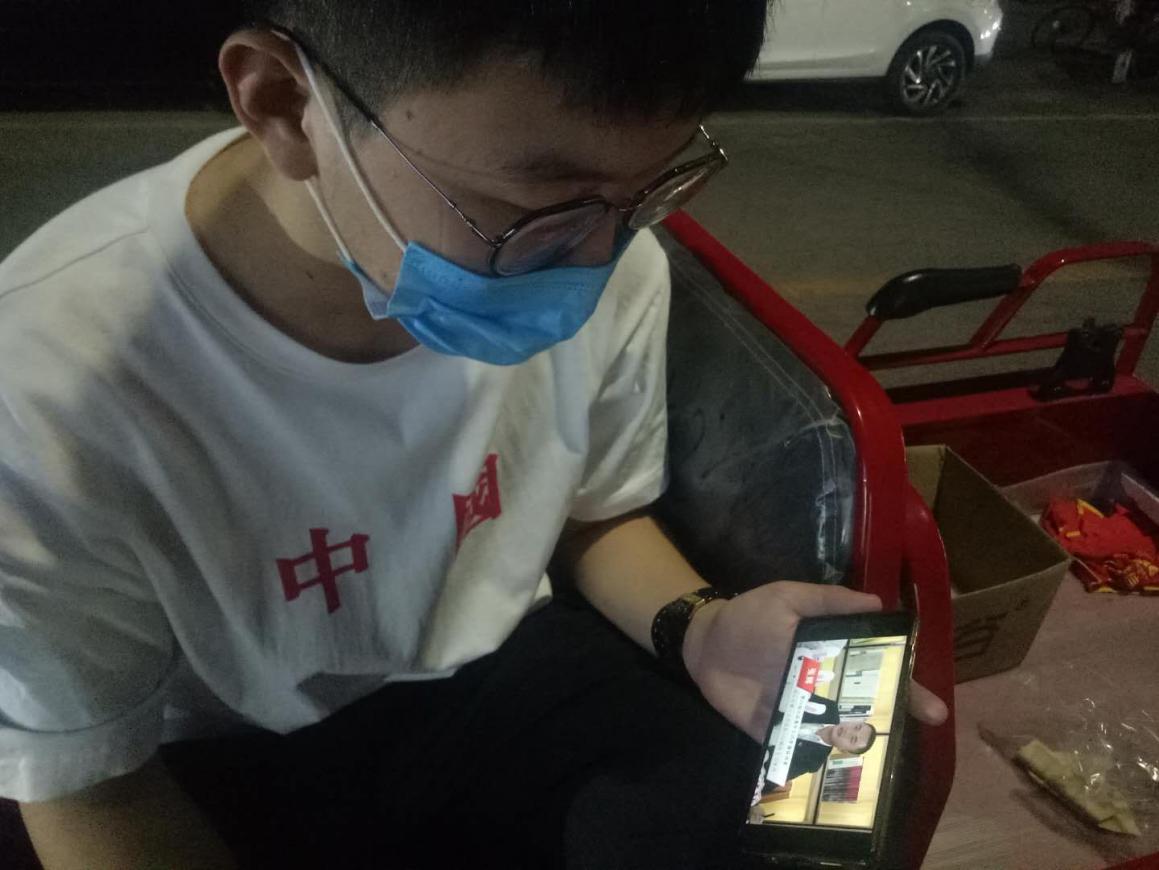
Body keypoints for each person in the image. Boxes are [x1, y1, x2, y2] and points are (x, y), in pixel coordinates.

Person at [0, 3, 948, 868]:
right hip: (220, 746)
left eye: (644, 191)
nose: (595, 259)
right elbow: (93, 789)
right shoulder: (43, 395)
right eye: (537, 201)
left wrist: (701, 626)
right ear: (285, 103)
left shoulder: (610, 253)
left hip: (501, 670)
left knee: (826, 799)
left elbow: (589, 513)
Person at [762, 695, 877, 790]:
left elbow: (769, 779)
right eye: (856, 727)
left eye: (852, 739)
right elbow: (789, 694)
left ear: (844, 750)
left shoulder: (813, 761)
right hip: (761, 708)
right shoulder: (829, 708)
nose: (848, 731)